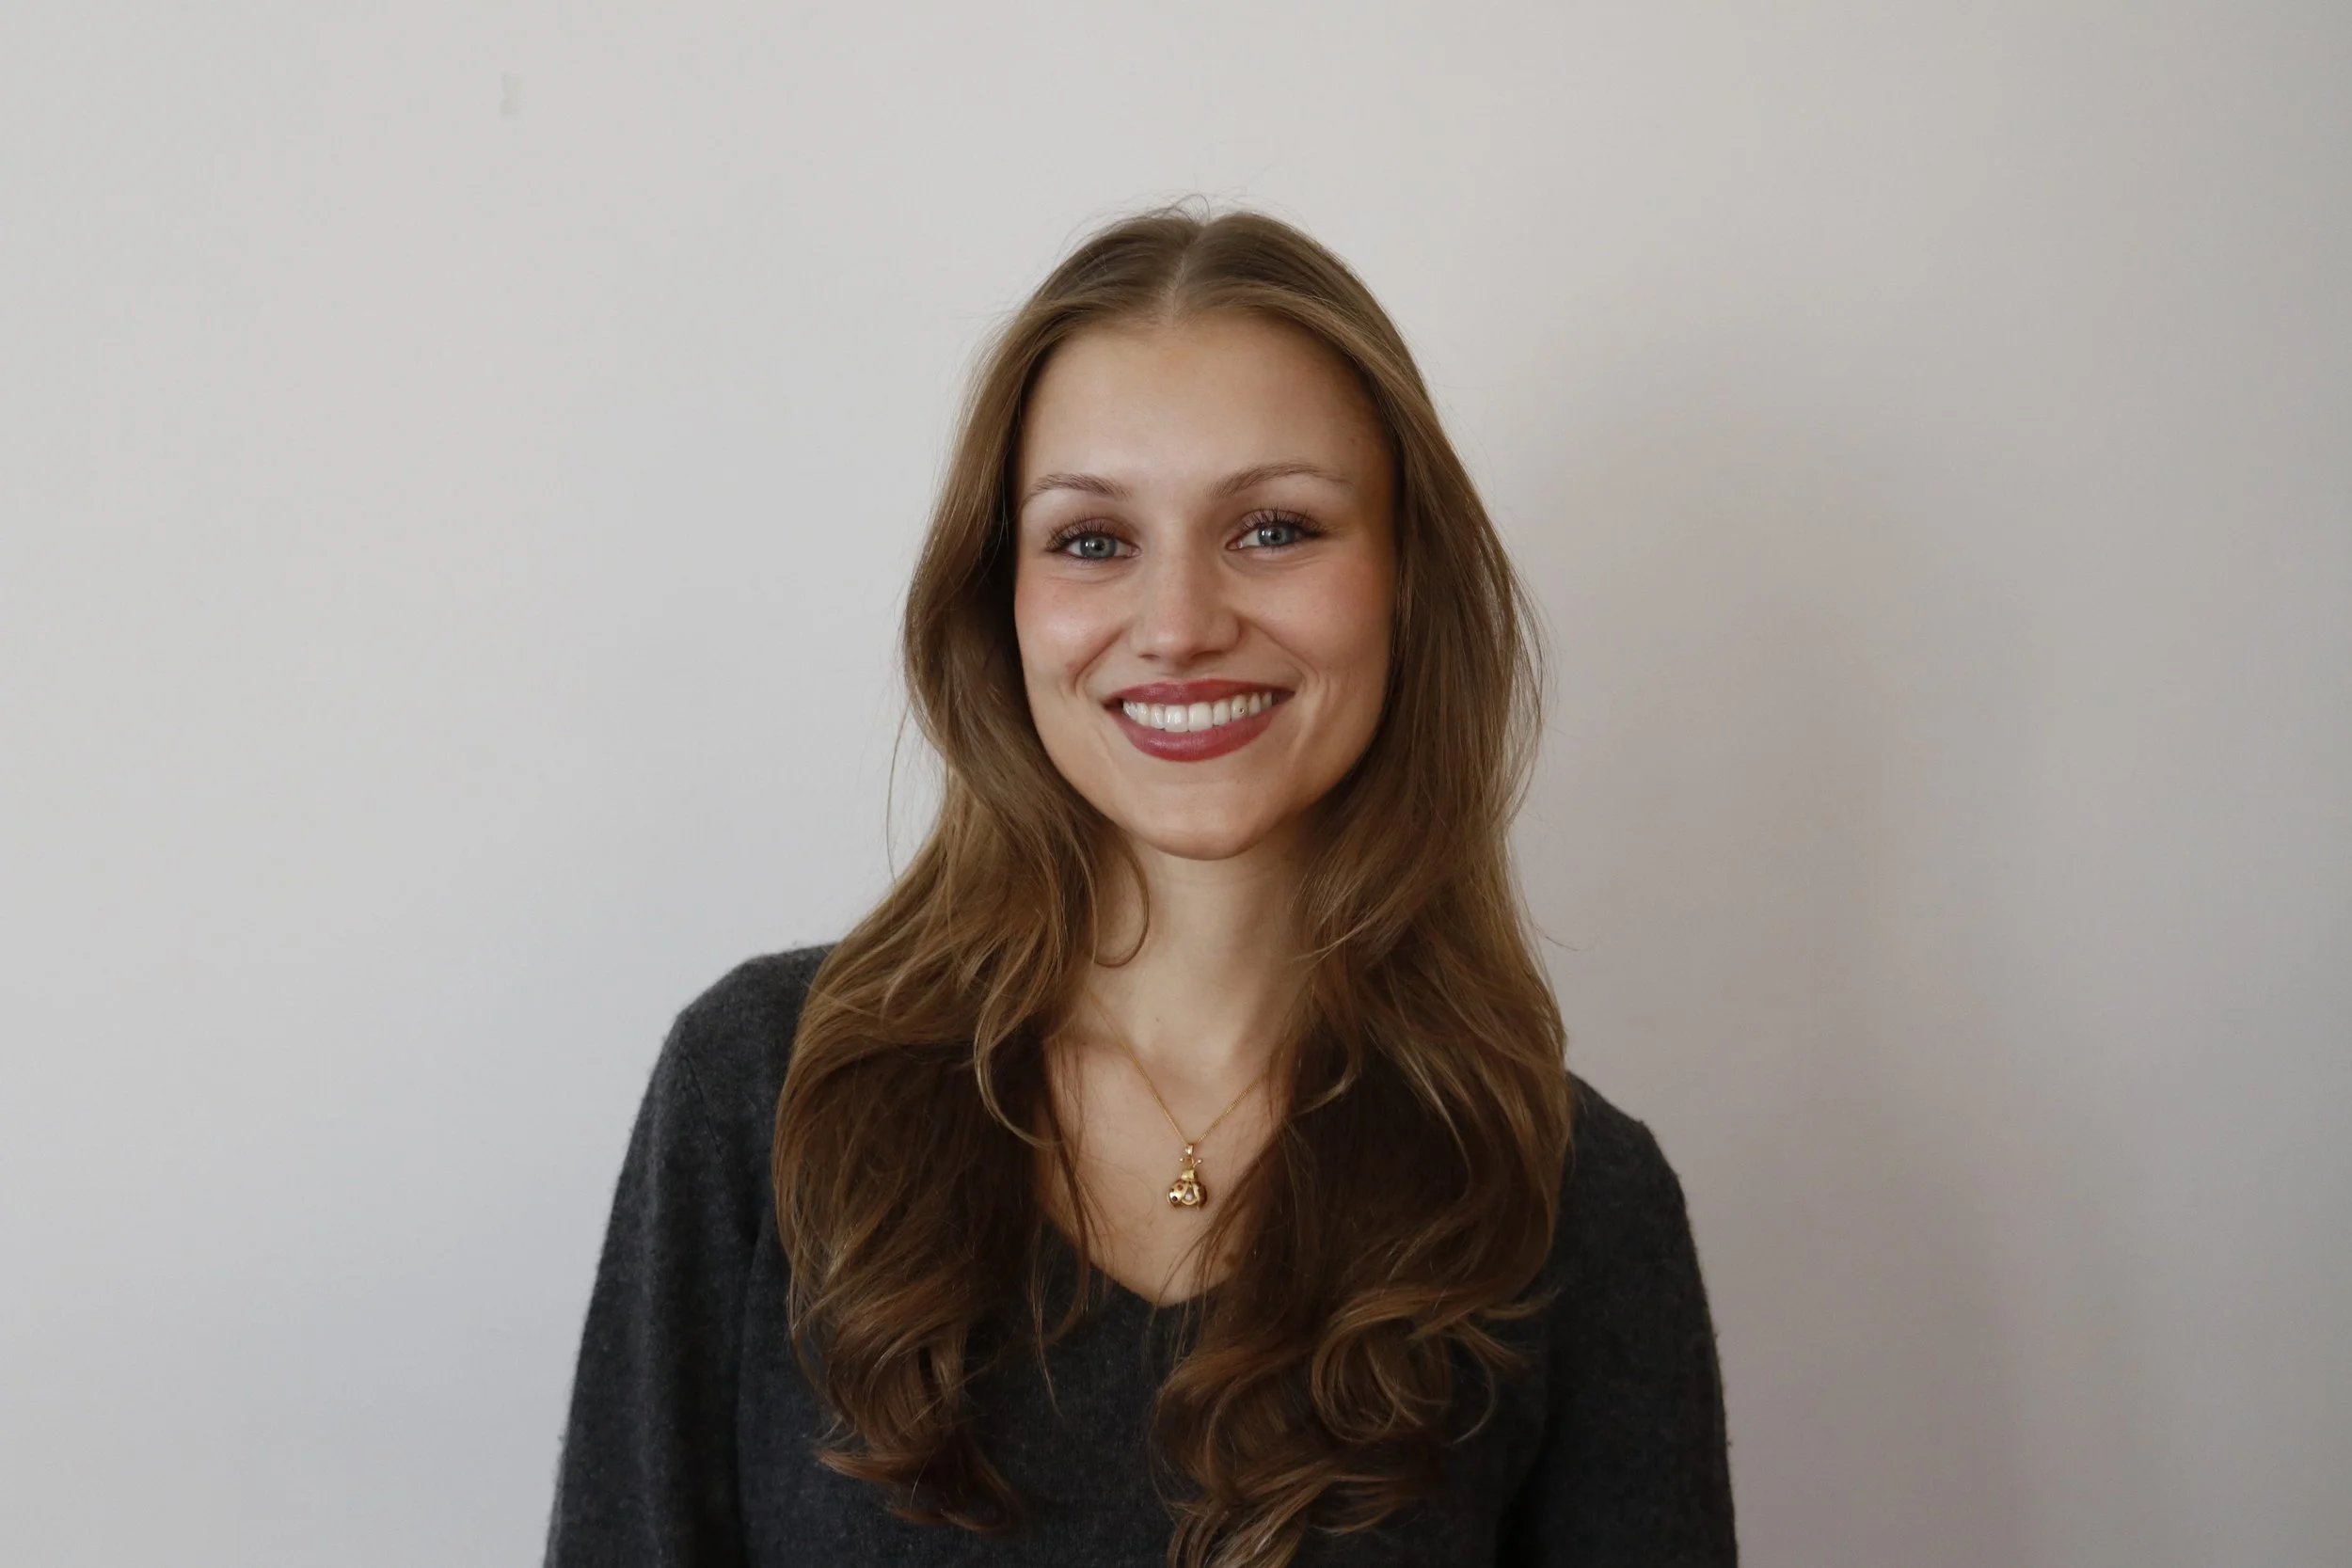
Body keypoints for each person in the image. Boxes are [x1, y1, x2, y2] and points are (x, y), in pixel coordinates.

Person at [544, 200, 1736, 1567]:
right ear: (1000, 602)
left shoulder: (1571, 1202)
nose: (1178, 624)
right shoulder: (764, 1090)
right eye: (1093, 540)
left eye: (1276, 527)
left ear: (1409, 583)